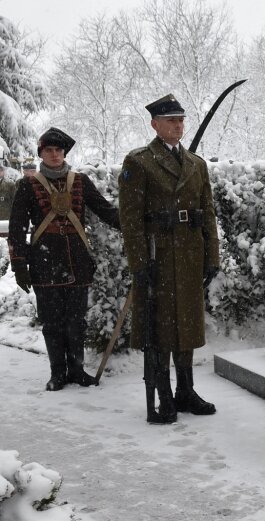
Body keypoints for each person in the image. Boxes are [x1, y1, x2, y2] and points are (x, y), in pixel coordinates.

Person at [119, 93, 220, 424]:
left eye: (181, 120)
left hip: (189, 256)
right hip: (157, 257)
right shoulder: (139, 162)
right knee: (161, 328)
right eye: (171, 121)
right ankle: (164, 395)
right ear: (155, 124)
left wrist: (212, 257)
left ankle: (186, 391)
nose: (178, 126)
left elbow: (207, 214)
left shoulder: (196, 163)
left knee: (187, 326)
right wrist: (139, 264)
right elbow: (130, 220)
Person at [8, 127, 120, 391]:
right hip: (44, 263)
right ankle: (58, 372)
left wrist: (134, 223)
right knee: (52, 322)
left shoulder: (80, 181)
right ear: (41, 154)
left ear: (64, 153)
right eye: (49, 150)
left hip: (78, 262)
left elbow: (105, 210)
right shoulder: (27, 185)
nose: (55, 155)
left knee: (76, 321)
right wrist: (19, 265)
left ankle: (78, 370)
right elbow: (16, 228)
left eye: (59, 150)